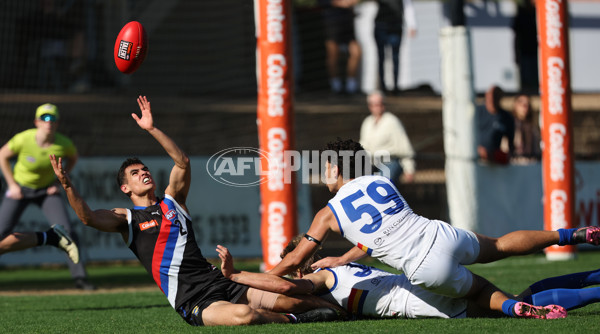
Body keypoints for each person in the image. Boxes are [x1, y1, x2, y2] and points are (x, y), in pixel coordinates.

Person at [50, 96, 342, 326]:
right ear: (125, 188)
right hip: (192, 300)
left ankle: (346, 309)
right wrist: (66, 184)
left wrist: (152, 129)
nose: (144, 173)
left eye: (145, 169)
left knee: (289, 298)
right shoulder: (127, 218)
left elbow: (182, 162)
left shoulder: (172, 201)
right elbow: (87, 217)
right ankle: (295, 321)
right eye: (136, 173)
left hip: (221, 281)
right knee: (245, 317)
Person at [265, 138, 600, 319]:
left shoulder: (328, 213)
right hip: (440, 234)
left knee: (488, 295)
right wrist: (341, 259)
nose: (322, 173)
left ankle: (516, 308)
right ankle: (572, 235)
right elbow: (377, 234)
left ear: (336, 168)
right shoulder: (381, 180)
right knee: (498, 245)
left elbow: (297, 260)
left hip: (424, 268)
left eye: (325, 167)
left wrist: (270, 272)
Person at [218, 236, 600, 319]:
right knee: (516, 294)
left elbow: (284, 287)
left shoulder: (323, 280)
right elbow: (366, 245)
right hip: (417, 282)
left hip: (418, 301)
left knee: (511, 305)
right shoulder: (338, 266)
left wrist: (237, 275)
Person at [0, 103, 94, 290]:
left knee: (67, 231)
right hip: (20, 190)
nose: (48, 122)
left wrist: (57, 182)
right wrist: (12, 185)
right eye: (44, 118)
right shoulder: (23, 139)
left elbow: (73, 157)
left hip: (46, 191)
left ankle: (80, 279)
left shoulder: (63, 143)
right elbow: (2, 155)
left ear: (57, 123)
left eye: (52, 119)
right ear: (36, 121)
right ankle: (50, 237)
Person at [360, 91, 415, 186]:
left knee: (382, 186)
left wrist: (409, 168)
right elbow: (363, 146)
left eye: (381, 103)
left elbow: (404, 147)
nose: (379, 107)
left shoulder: (392, 121)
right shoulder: (367, 122)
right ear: (370, 106)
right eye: (375, 104)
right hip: (371, 163)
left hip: (390, 162)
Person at [374, 0, 417, 94]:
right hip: (381, 25)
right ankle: (382, 86)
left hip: (395, 26)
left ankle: (395, 86)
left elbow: (408, 6)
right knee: (381, 57)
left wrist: (412, 24)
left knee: (395, 57)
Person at [320, 0, 361, 94]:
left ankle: (351, 85)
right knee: (333, 55)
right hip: (332, 22)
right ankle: (335, 85)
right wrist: (340, 3)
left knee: (356, 52)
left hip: (348, 23)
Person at [477, 85, 515, 165]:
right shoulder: (477, 112)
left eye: (495, 97)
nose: (492, 100)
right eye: (490, 97)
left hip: (494, 161)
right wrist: (478, 149)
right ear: (486, 96)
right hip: (476, 159)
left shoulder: (506, 118)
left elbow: (510, 144)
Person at [511, 0, 538, 94]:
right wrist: (516, 53)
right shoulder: (521, 14)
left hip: (537, 52)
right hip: (525, 52)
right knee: (526, 79)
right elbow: (516, 36)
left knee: (537, 77)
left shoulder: (538, 14)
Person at [511, 94, 541, 162]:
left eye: (527, 104)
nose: (524, 106)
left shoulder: (533, 128)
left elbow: (537, 148)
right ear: (515, 105)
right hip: (515, 164)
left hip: (532, 164)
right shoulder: (510, 125)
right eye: (521, 102)